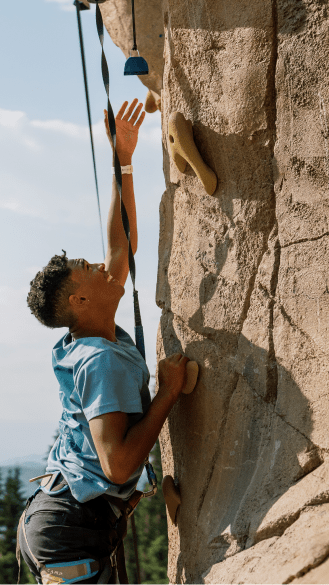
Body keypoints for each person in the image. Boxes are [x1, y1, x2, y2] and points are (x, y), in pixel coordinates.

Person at [17, 98, 192, 585]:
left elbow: (121, 244)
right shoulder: (99, 359)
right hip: (67, 531)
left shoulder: (94, 332)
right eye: (88, 271)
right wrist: (168, 393)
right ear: (78, 300)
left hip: (63, 526)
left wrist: (124, 159)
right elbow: (116, 467)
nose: (101, 265)